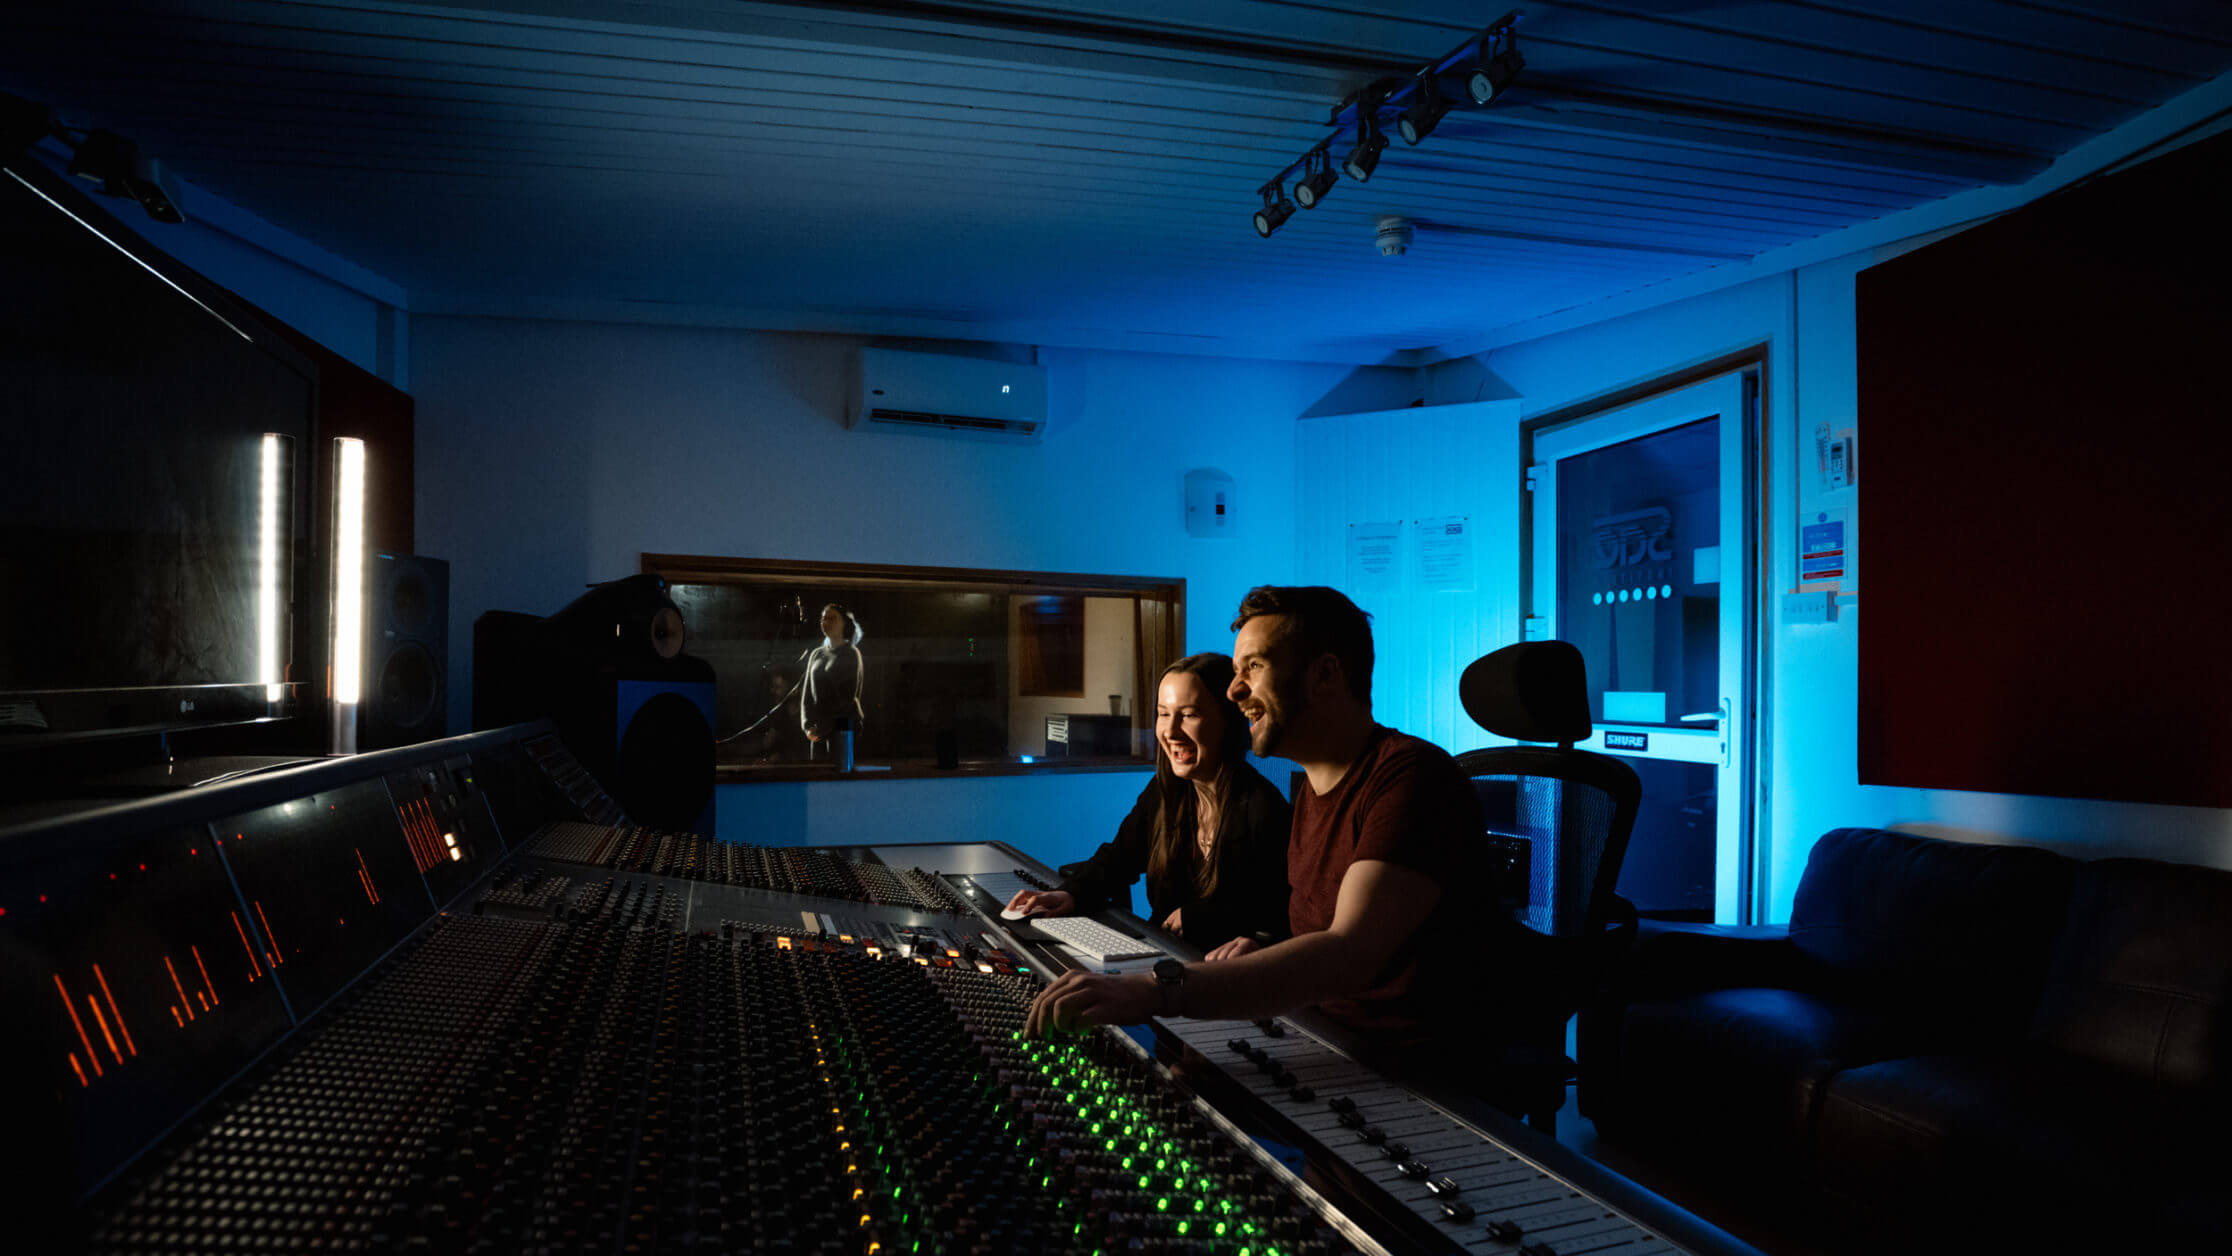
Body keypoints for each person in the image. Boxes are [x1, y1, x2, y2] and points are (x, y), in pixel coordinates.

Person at [1024, 585, 1486, 1058]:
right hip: (1313, 1033)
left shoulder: (1411, 779)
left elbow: (1347, 954)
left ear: (1325, 675)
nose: (1233, 689)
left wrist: (1157, 989)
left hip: (1404, 1070)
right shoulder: (1311, 794)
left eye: (1254, 667)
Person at [1004, 653, 1290, 953]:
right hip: (1163, 959)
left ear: (1228, 722)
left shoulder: (1264, 808)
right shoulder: (1166, 790)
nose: (1170, 731)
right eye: (1163, 714)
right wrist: (1071, 894)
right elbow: (1118, 858)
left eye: (1189, 714)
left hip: (1219, 979)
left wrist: (1202, 918)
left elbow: (1277, 918)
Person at [730, 602, 865, 759]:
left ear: (844, 623)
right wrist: (808, 726)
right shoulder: (817, 654)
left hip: (843, 728)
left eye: (832, 618)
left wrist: (822, 728)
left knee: (840, 772)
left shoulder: (851, 653)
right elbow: (807, 693)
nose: (826, 622)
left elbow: (846, 699)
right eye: (823, 618)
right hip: (817, 731)